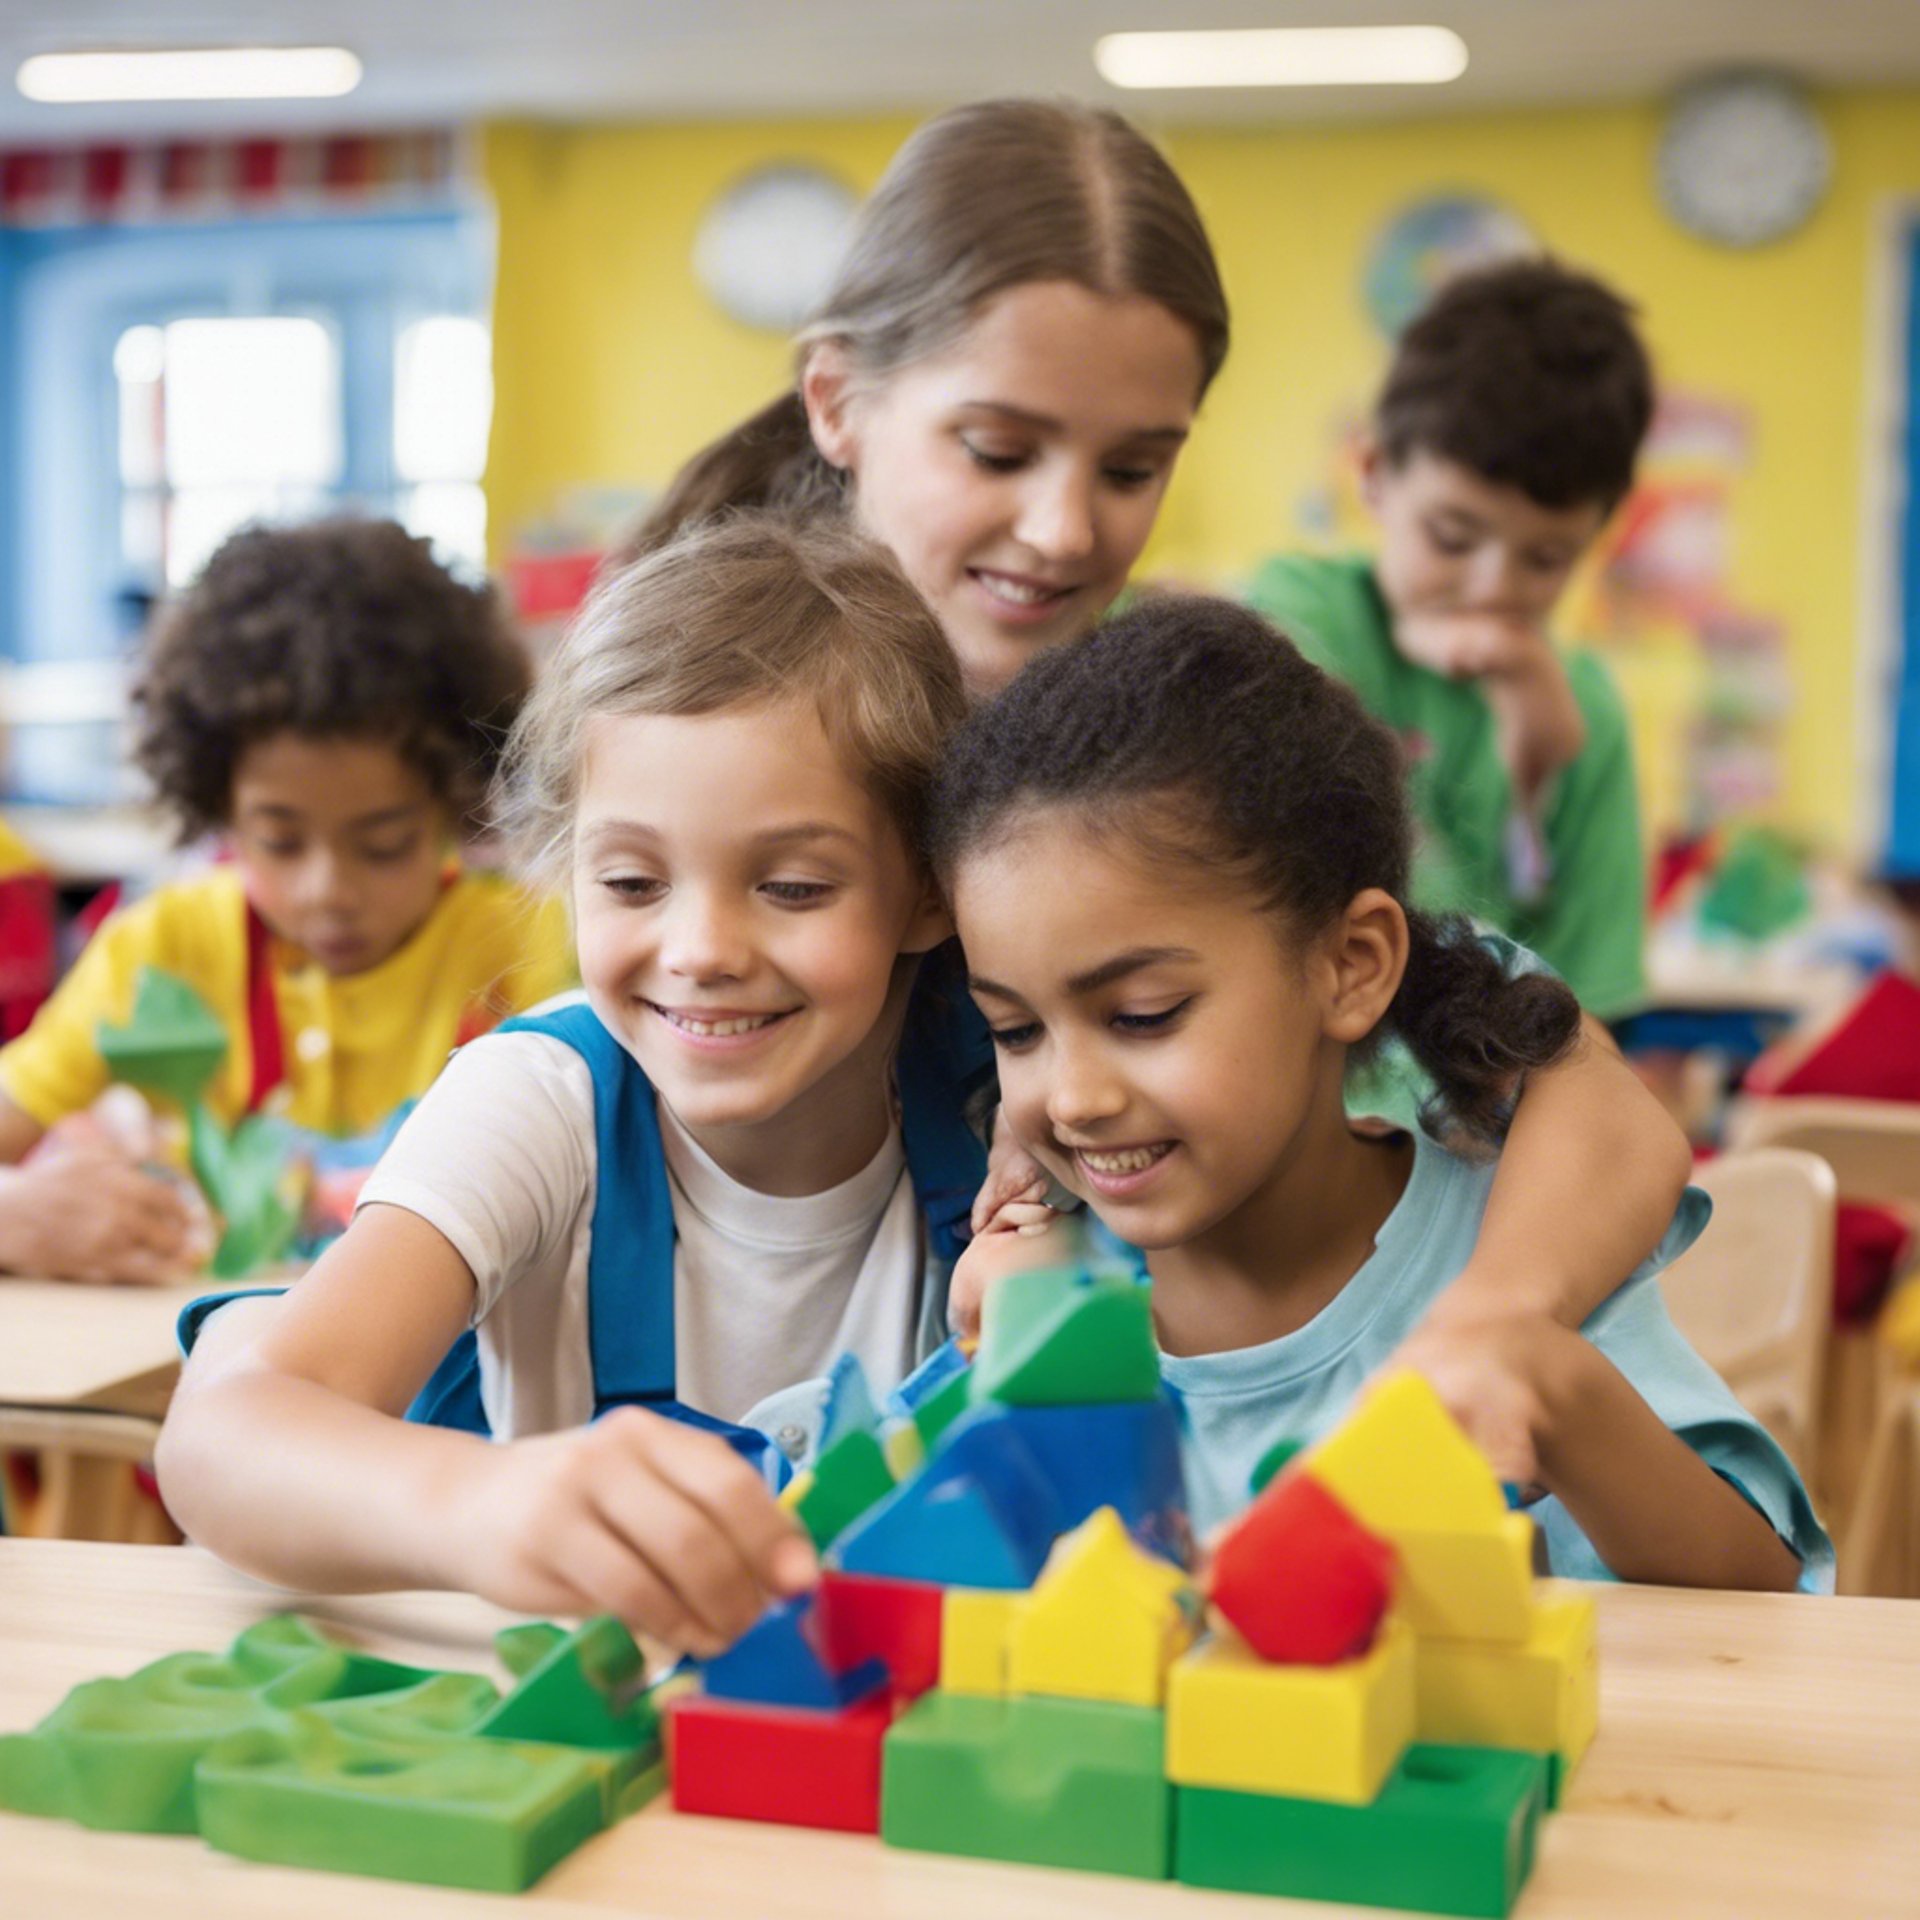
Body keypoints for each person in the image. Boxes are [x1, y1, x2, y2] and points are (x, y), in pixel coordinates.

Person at [637, 100, 1693, 1477]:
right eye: (999, 451)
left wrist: (1487, 1329)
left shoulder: (1153, 773)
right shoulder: (704, 741)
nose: (1069, 527)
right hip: (765, 1461)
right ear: (837, 400)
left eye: (1135, 467)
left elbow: (1566, 1079)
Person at [157, 514, 985, 1655]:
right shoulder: (540, 1101)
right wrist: (484, 1503)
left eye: (793, 887)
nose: (701, 948)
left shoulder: (1009, 1109)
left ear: (929, 890)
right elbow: (220, 1440)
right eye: (635, 881)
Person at [934, 595, 1830, 1590]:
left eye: (1144, 1014)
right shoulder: (1031, 1302)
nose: (1073, 1097)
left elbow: (1767, 1608)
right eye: (1015, 1030)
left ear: (1352, 966)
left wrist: (1554, 1386)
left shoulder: (1514, 1247)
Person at [0, 518, 571, 1285]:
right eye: (277, 840)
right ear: (219, 809)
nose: (327, 892)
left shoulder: (526, 942)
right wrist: (18, 1214)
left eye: (383, 844)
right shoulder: (161, 948)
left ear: (455, 803)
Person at [1248, 259, 1653, 1022]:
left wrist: (1539, 752)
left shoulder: (1586, 711)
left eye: (1546, 558)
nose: (1493, 588)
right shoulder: (1297, 612)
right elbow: (1308, 869)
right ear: (1374, 473)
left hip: (1501, 1110)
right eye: (1452, 535)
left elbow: (1593, 1003)